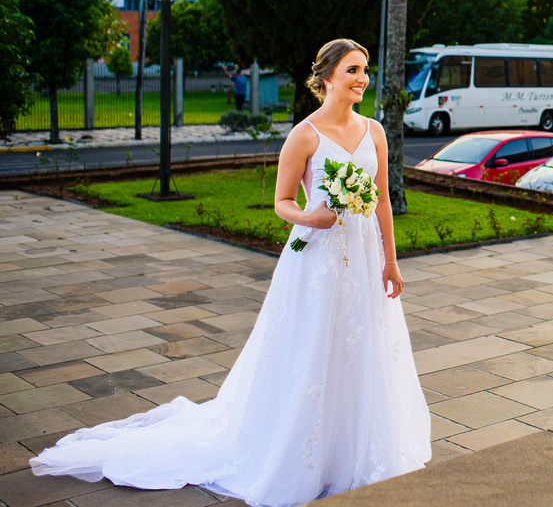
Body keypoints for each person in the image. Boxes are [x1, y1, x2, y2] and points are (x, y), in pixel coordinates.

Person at [32, 38, 431, 506]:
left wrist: (390, 259)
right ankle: (303, 453)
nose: (363, 78)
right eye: (353, 70)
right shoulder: (304, 135)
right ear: (325, 78)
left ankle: (357, 453)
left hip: (363, 259)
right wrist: (311, 216)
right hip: (317, 258)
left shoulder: (376, 132)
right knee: (313, 348)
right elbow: (283, 203)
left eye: (365, 69)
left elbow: (382, 199)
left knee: (362, 347)